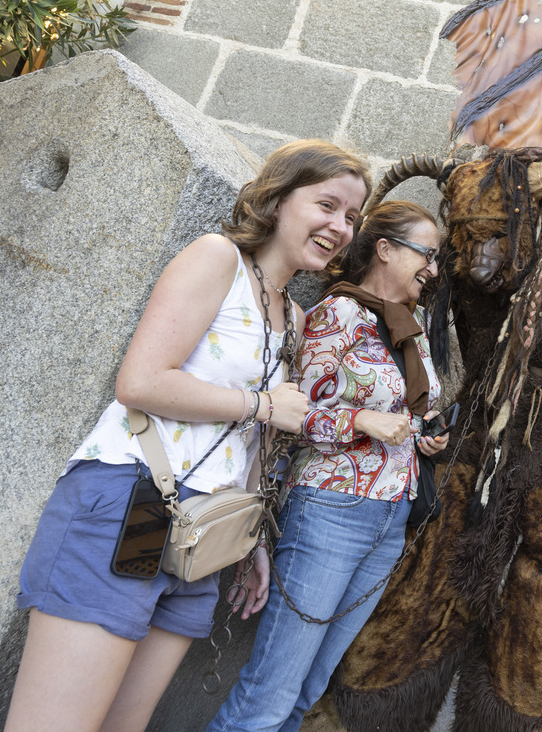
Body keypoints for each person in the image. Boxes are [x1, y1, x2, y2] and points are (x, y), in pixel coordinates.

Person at [3, 140, 371, 732]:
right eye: (327, 205)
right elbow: (141, 380)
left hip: (206, 536)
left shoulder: (295, 317)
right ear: (277, 198)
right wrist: (263, 403)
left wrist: (254, 540)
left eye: (352, 217)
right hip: (136, 501)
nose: (340, 226)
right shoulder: (216, 258)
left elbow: (255, 439)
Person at [205, 200, 449, 732]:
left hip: (390, 520)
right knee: (269, 694)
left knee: (309, 692)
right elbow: (289, 414)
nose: (433, 268)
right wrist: (361, 420)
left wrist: (423, 437)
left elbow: (409, 412)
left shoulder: (414, 325)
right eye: (427, 254)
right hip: (330, 510)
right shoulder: (337, 315)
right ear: (385, 249)